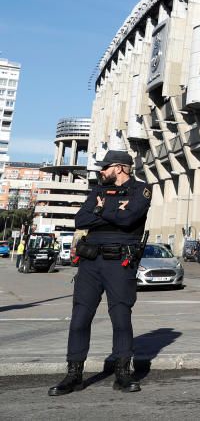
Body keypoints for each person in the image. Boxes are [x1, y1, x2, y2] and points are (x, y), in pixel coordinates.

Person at [49, 150, 151, 396]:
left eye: (104, 168)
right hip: (90, 262)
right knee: (80, 318)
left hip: (119, 262)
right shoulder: (97, 191)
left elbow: (129, 221)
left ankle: (123, 374)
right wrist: (111, 210)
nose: (100, 172)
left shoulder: (141, 190)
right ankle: (74, 374)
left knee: (121, 318)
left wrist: (101, 211)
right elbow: (80, 220)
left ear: (119, 168)